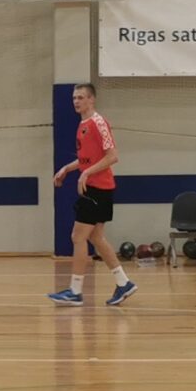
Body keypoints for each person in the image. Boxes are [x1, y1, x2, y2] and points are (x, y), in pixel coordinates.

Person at [49, 82, 136, 305]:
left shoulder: (99, 122)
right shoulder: (83, 125)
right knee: (96, 237)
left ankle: (75, 291)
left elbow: (112, 156)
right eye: (74, 98)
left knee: (78, 237)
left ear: (91, 99)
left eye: (80, 97)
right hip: (95, 188)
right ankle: (123, 283)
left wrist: (86, 174)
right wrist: (67, 169)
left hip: (99, 188)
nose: (76, 101)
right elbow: (88, 159)